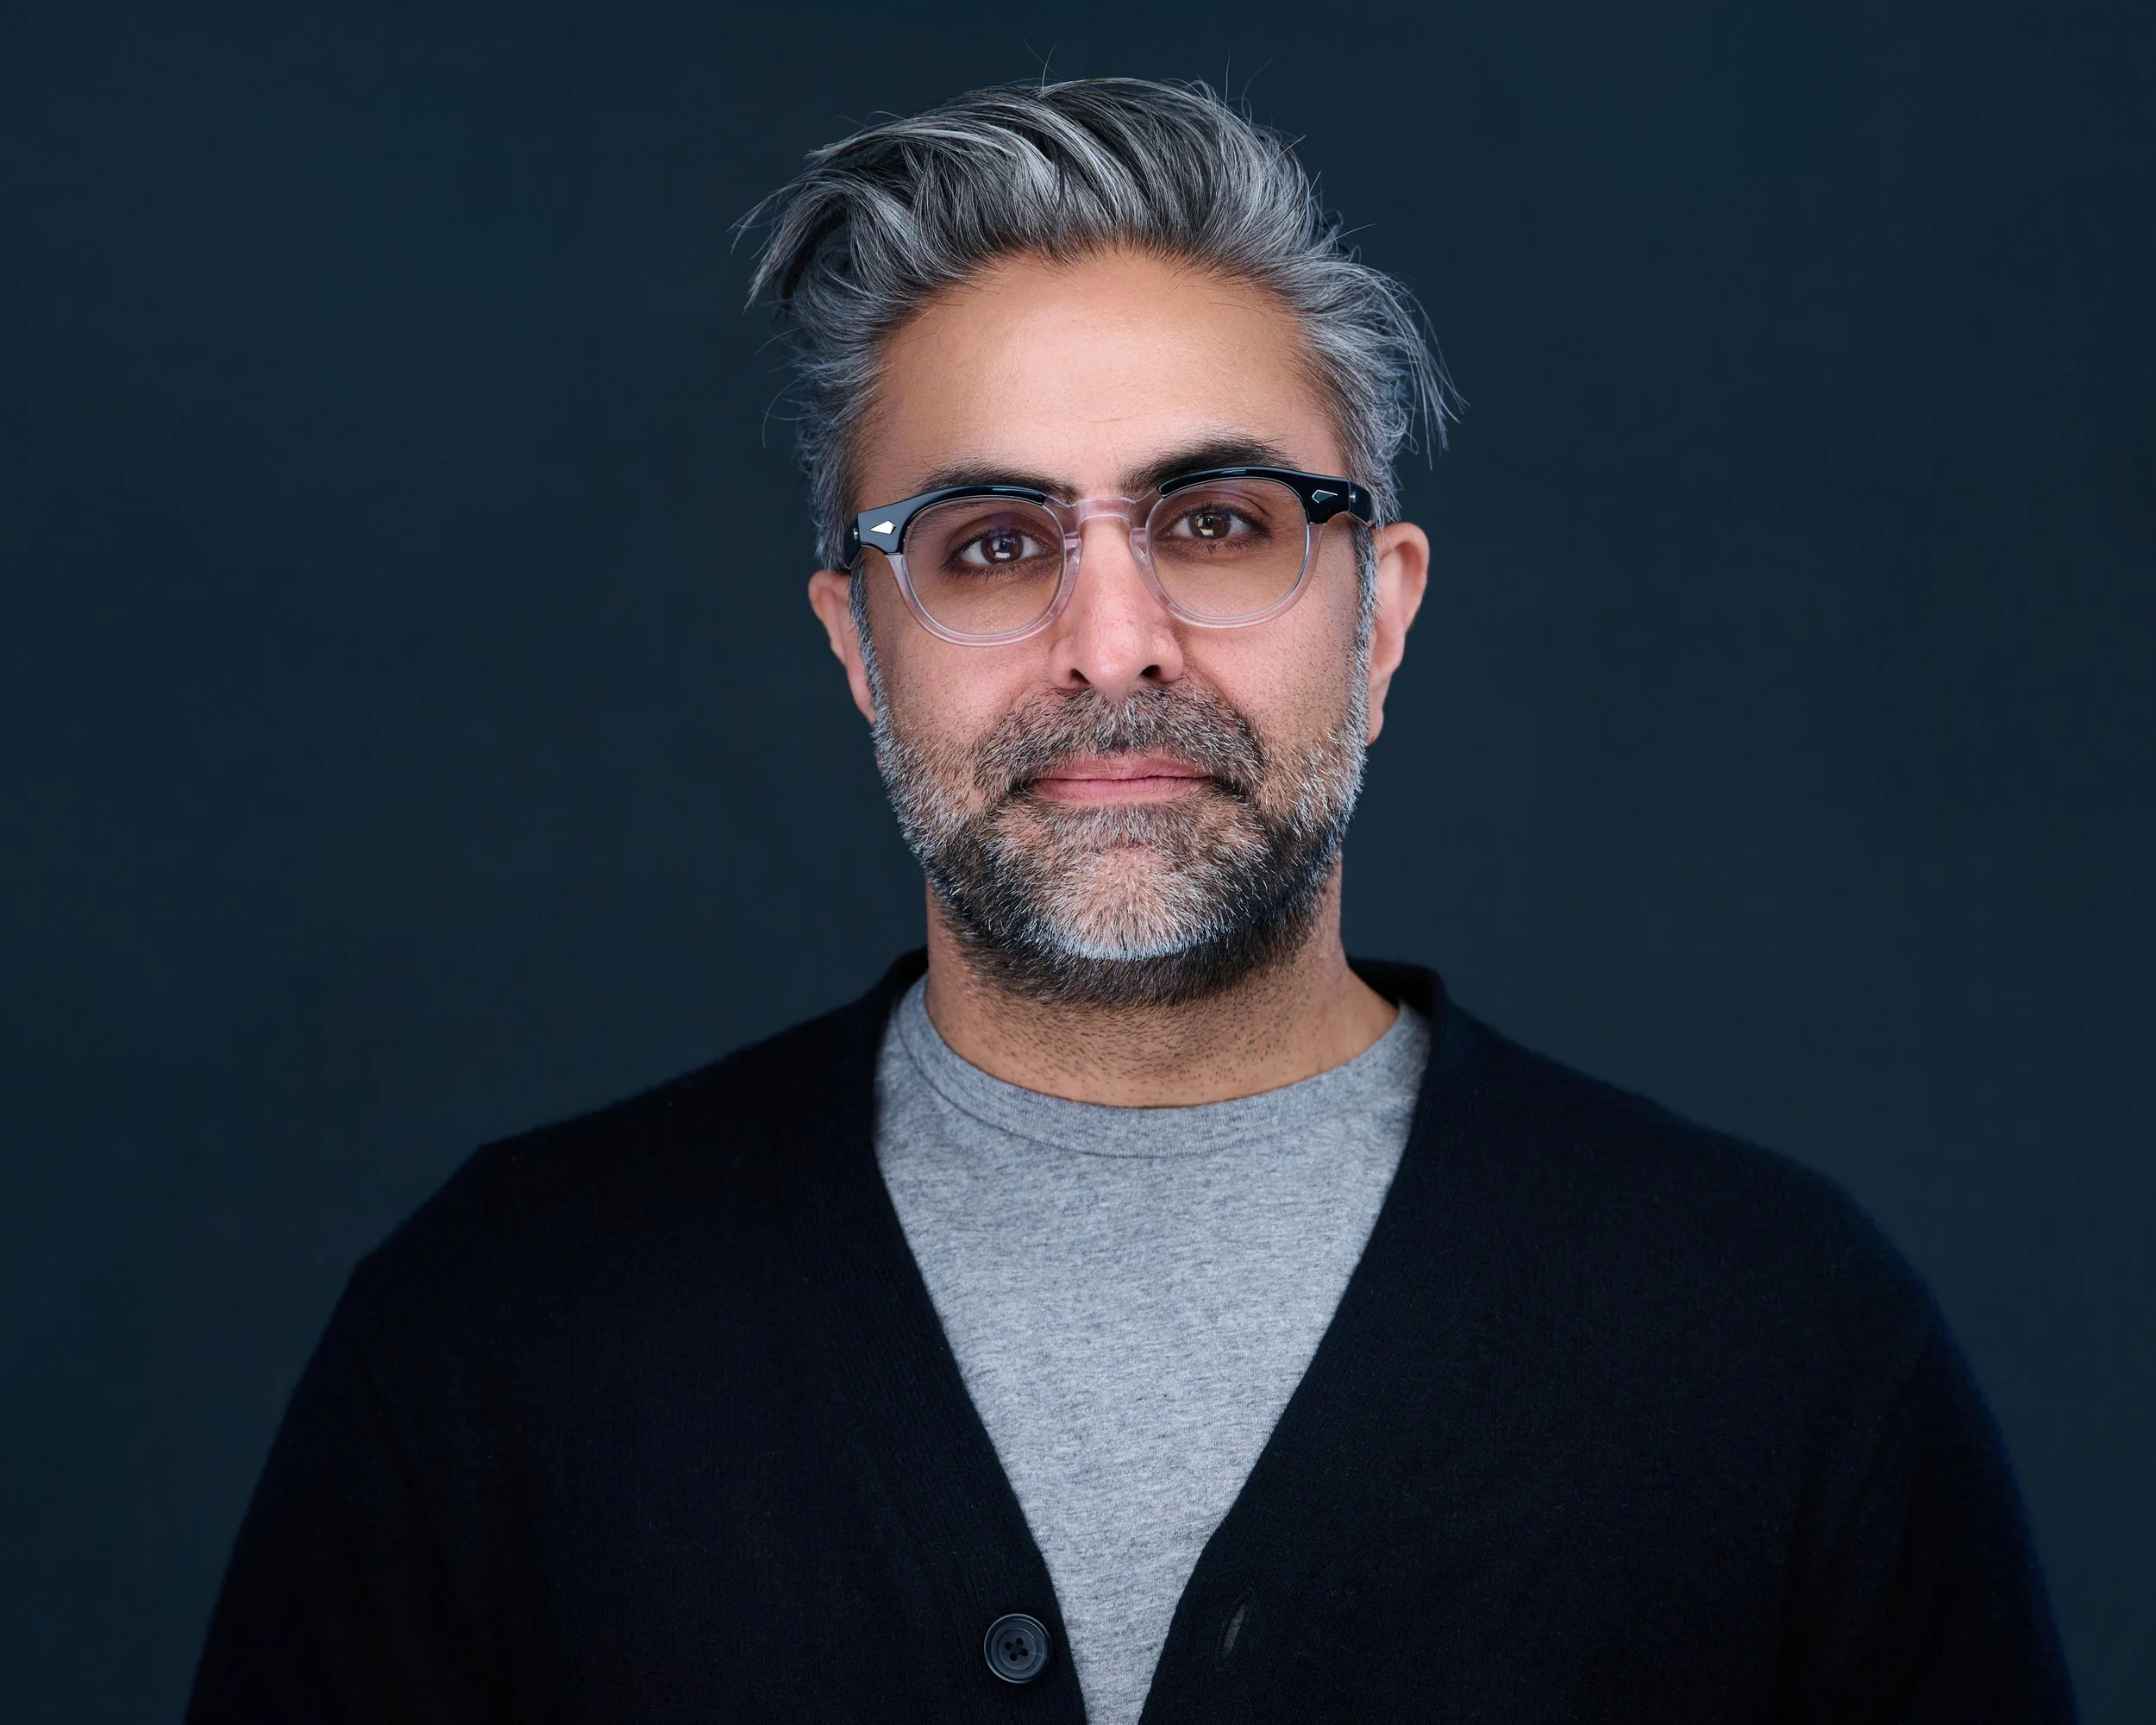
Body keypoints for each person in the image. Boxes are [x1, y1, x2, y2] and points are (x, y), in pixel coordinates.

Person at [187, 78, 2073, 1723]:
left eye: (1217, 520)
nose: (1112, 646)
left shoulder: (1778, 1345)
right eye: (993, 545)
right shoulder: (503, 1338)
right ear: (858, 643)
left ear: (1384, 609)